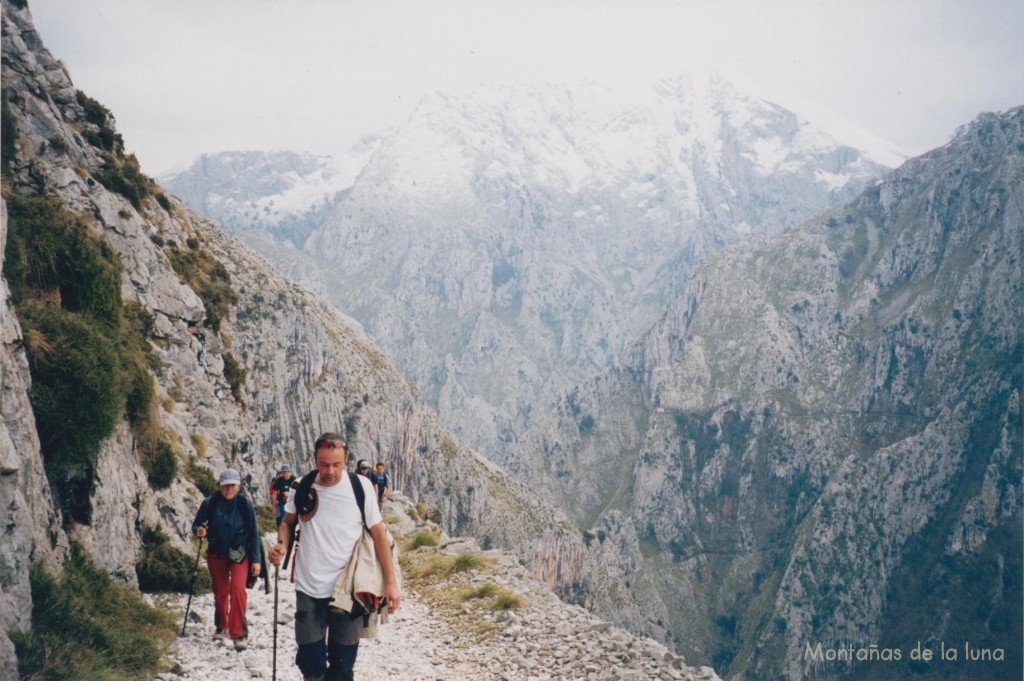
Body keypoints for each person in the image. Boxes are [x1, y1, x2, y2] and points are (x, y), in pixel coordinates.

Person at [269, 433, 401, 681]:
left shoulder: (360, 486)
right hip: (309, 588)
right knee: (310, 663)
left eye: (336, 464)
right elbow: (288, 523)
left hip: (347, 591)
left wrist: (391, 581)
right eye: (324, 464)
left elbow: (379, 534)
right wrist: (281, 545)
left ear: (346, 459)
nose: (330, 471)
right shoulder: (302, 486)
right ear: (315, 459)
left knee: (342, 668)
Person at [191, 468, 261, 651]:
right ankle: (222, 625)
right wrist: (199, 530)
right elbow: (197, 524)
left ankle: (239, 634)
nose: (229, 489)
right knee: (221, 592)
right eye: (225, 485)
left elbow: (254, 532)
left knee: (237, 589)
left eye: (232, 485)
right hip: (217, 553)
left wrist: (256, 560)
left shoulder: (244, 504)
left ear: (238, 486)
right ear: (219, 486)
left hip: (240, 554)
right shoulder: (210, 503)